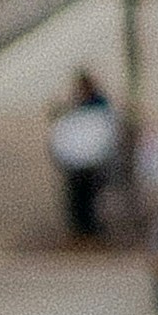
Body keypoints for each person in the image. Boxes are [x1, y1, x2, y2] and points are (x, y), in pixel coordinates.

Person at [45, 71, 116, 246]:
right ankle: (80, 226)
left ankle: (88, 226)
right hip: (78, 162)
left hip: (91, 162)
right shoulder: (77, 104)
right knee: (76, 195)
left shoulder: (97, 104)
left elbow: (102, 126)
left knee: (87, 193)